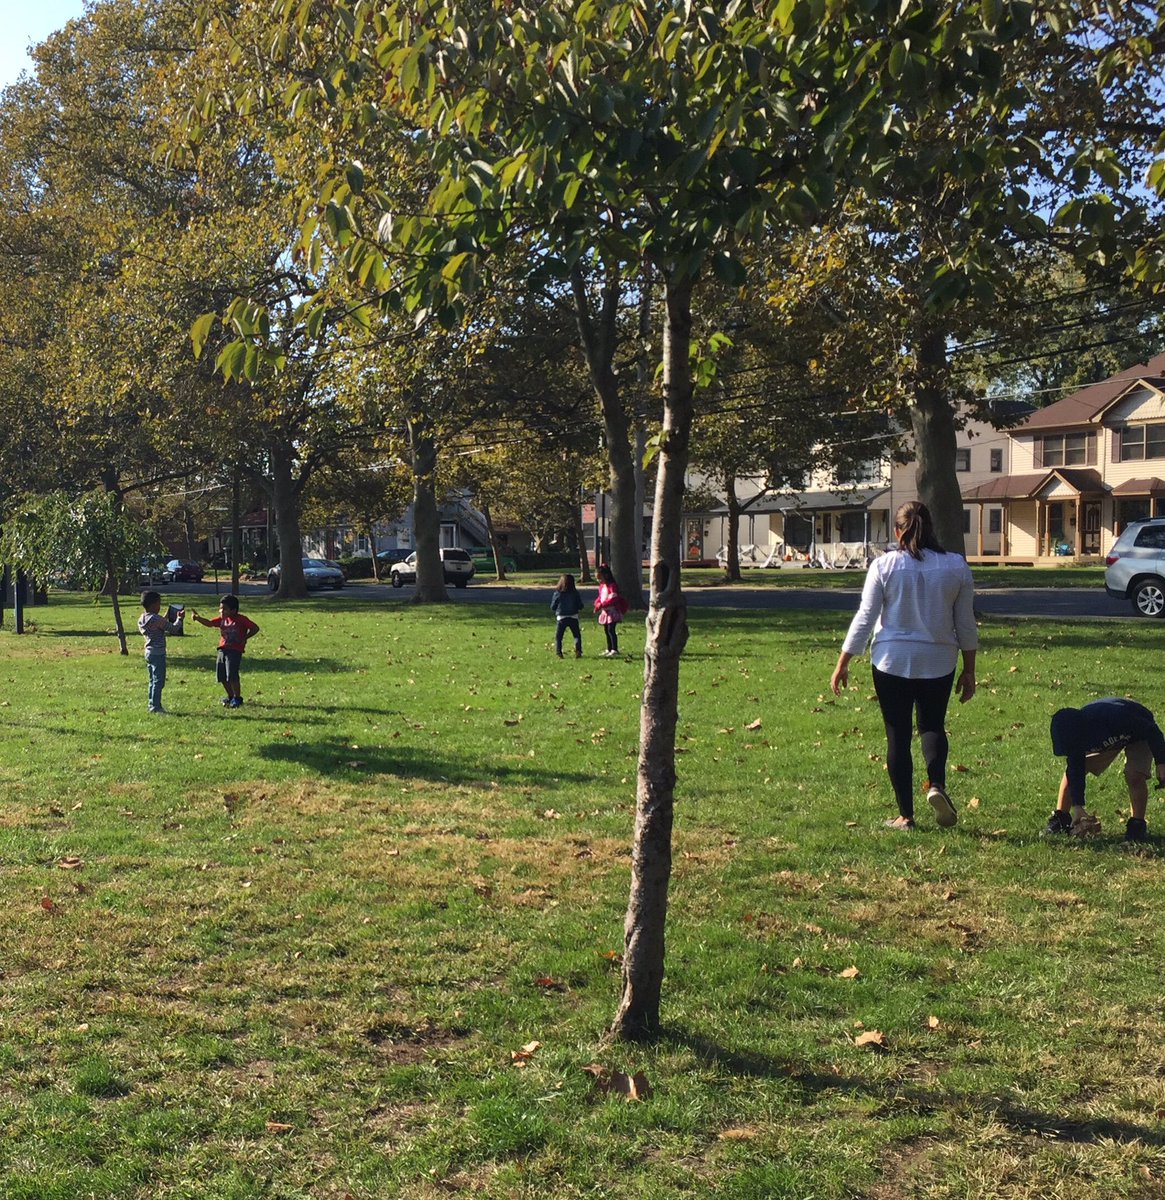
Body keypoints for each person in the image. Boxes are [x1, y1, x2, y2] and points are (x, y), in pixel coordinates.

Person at [830, 500, 977, 830]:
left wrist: (844, 661)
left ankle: (905, 816)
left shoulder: (885, 566)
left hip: (891, 660)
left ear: (897, 531)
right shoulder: (956, 566)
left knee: (897, 735)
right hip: (939, 659)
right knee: (932, 726)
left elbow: (866, 617)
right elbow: (965, 623)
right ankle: (936, 784)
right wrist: (970, 670)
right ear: (931, 529)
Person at [1045, 698, 1165, 842]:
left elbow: (1152, 731)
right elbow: (1075, 772)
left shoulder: (1115, 717)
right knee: (1073, 771)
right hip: (1109, 739)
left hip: (1140, 733)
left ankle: (1137, 826)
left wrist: (1161, 762)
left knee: (1134, 775)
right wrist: (1078, 807)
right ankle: (1060, 818)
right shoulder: (1075, 737)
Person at [189, 594, 260, 709]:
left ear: (234, 610)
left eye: (225, 609)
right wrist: (198, 618)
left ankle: (237, 697)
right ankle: (230, 696)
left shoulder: (241, 619)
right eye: (220, 608)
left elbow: (255, 628)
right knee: (221, 676)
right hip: (222, 650)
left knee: (232, 675)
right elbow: (210, 623)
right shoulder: (222, 619)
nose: (221, 611)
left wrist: (245, 638)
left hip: (234, 651)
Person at [137, 590, 184, 714]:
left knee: (152, 680)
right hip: (158, 653)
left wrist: (166, 616)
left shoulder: (143, 618)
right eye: (159, 604)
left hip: (148, 652)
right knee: (159, 681)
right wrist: (179, 619)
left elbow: (159, 623)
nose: (160, 606)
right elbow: (173, 629)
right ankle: (156, 707)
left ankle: (151, 703)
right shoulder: (157, 619)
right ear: (153, 605)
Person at [594, 564, 626, 657]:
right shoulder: (602, 587)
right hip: (605, 612)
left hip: (612, 611)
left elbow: (613, 598)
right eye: (597, 579)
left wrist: (602, 604)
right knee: (606, 630)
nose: (599, 581)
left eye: (600, 578)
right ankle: (609, 648)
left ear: (606, 576)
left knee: (611, 630)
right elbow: (600, 597)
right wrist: (597, 604)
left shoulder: (612, 586)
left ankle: (614, 649)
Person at [551, 573, 583, 658]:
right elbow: (580, 605)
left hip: (561, 617)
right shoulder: (575, 593)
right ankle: (578, 650)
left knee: (559, 637)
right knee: (576, 635)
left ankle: (559, 652)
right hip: (573, 616)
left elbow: (553, 606)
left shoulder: (558, 593)